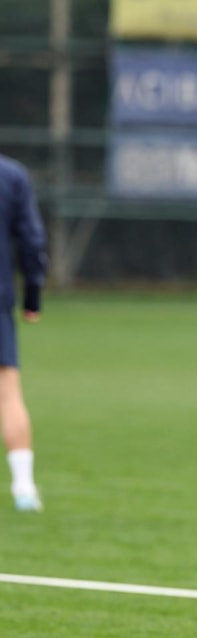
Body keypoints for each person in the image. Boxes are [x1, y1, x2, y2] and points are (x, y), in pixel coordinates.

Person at [0, 153, 48, 511]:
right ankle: (24, 488)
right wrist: (33, 295)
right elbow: (32, 241)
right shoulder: (11, 175)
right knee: (7, 392)